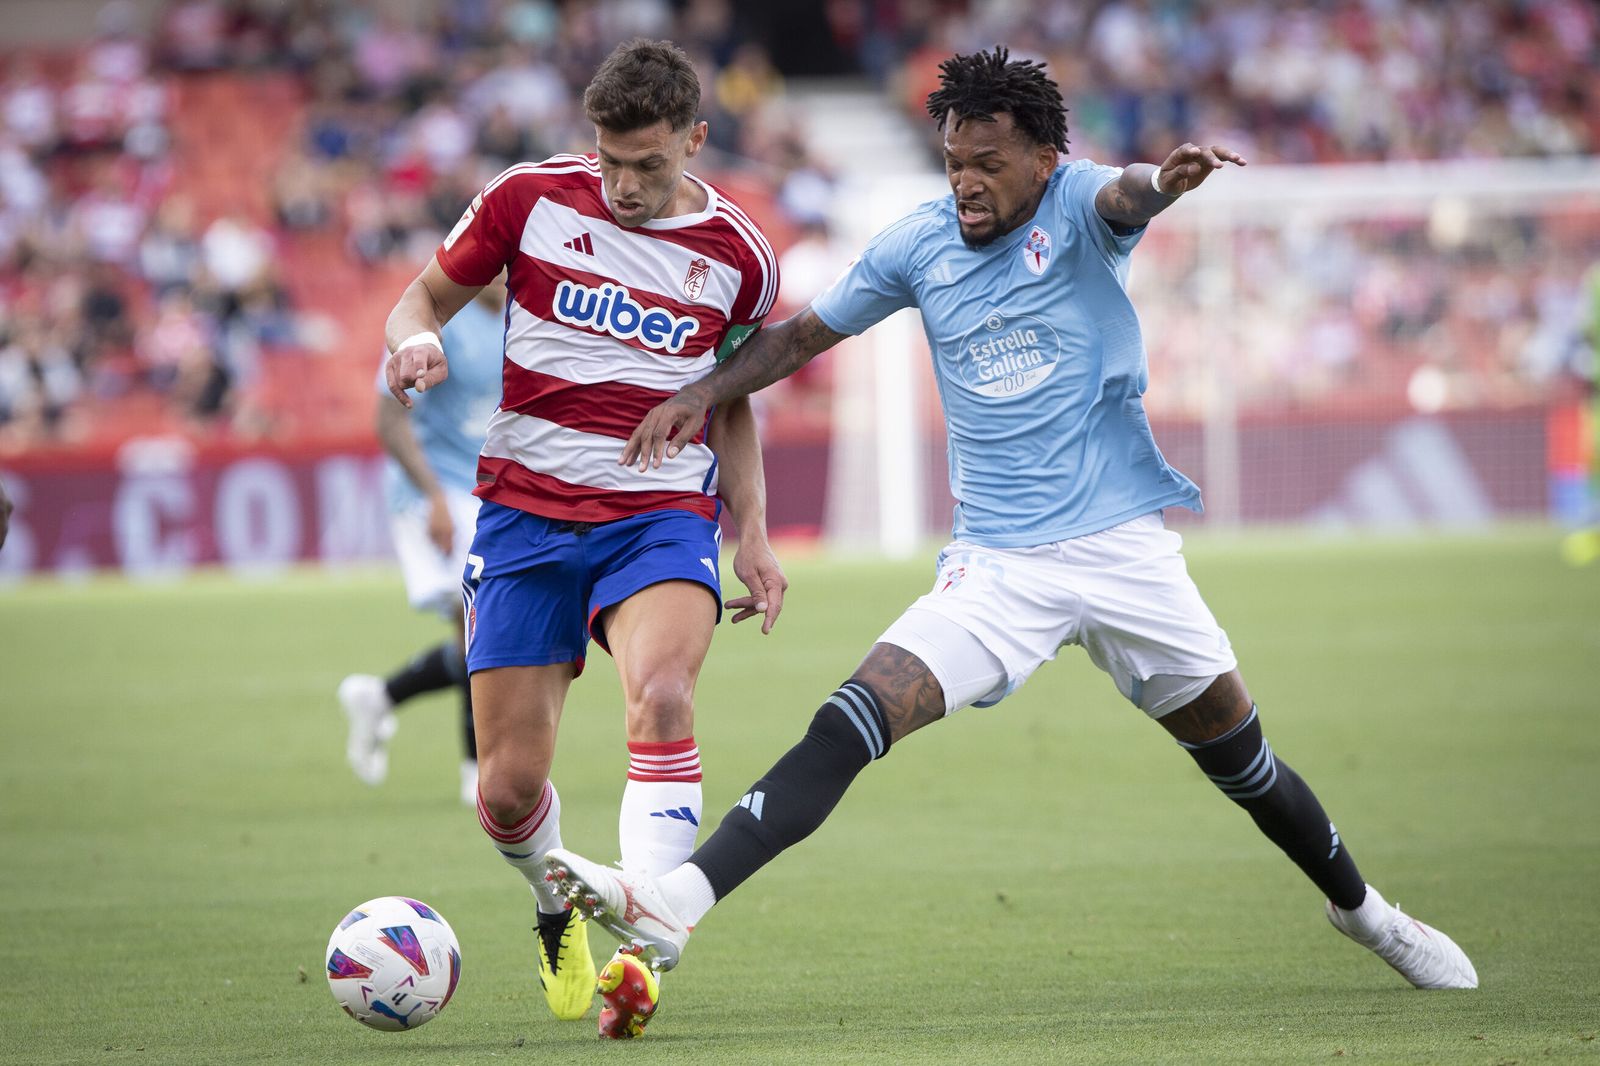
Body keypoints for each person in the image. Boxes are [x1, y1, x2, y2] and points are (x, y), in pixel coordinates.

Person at [543, 47, 1478, 1034]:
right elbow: (800, 337)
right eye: (953, 162)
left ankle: (1366, 913)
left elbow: (1125, 195)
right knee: (851, 718)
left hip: (1123, 554)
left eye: (987, 164)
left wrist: (1163, 182)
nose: (965, 183)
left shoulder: (1080, 206)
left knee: (1244, 765)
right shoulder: (918, 244)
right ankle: (678, 902)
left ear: (1040, 160)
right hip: (996, 567)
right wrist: (701, 393)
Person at [382, 38, 788, 1039]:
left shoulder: (741, 256)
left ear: (694, 139)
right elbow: (419, 299)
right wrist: (416, 342)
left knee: (664, 694)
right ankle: (552, 899)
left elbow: (732, 397)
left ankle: (641, 949)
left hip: (657, 518)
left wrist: (754, 531)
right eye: (609, 159)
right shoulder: (528, 198)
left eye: (647, 164)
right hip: (523, 518)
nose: (624, 185)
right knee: (507, 787)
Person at [338, 280, 506, 806]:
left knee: (482, 629)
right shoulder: (434, 320)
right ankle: (477, 772)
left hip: (484, 489)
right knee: (480, 624)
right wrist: (433, 498)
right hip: (433, 491)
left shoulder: (525, 314)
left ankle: (381, 696)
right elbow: (387, 419)